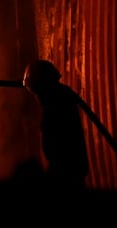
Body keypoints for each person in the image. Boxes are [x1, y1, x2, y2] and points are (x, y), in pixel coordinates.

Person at [22, 60, 90, 191]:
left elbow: (54, 149)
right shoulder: (62, 96)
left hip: (66, 173)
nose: (36, 97)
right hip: (72, 170)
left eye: (35, 91)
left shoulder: (55, 106)